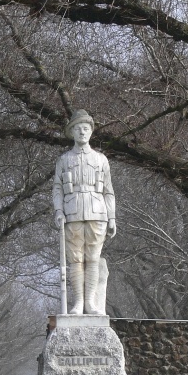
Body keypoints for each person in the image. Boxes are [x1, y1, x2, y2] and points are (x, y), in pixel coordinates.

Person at [53, 110, 116, 315]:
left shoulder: (101, 159)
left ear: (91, 132)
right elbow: (57, 188)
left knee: (93, 259)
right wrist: (58, 210)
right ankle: (78, 303)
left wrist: (112, 217)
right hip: (72, 213)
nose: (82, 132)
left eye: (86, 128)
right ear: (71, 132)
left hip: (97, 213)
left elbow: (108, 190)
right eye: (78, 128)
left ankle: (91, 302)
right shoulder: (63, 160)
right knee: (76, 260)